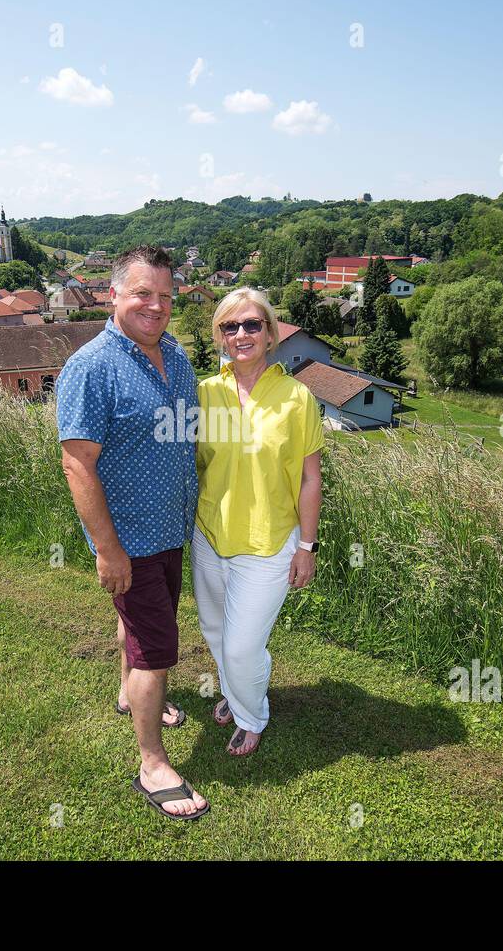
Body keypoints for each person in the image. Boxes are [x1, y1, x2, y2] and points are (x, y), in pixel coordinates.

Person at [55, 245, 209, 820]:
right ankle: (152, 764)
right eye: (144, 293)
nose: (157, 305)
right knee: (156, 650)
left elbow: (189, 431)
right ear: (114, 293)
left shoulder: (175, 354)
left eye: (166, 296)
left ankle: (127, 695)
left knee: (138, 629)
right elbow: (78, 464)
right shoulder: (92, 367)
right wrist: (108, 549)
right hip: (131, 541)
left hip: (172, 529)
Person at [191, 287, 324, 757]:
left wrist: (306, 547)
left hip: (269, 545)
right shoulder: (204, 393)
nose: (241, 334)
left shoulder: (297, 397)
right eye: (230, 326)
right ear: (220, 337)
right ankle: (233, 691)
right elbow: (193, 464)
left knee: (243, 648)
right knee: (215, 633)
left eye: (252, 324)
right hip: (209, 537)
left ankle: (252, 715)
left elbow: (310, 479)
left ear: (270, 333)